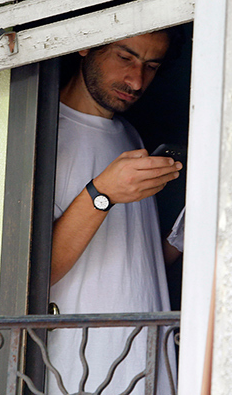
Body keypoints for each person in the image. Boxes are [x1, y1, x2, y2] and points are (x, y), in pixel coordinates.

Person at [46, 30, 183, 394]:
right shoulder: (41, 132)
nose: (137, 80)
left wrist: (183, 236)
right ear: (86, 42)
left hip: (148, 370)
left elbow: (132, 266)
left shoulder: (129, 135)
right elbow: (33, 272)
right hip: (80, 374)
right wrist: (102, 193)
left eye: (151, 66)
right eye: (126, 57)